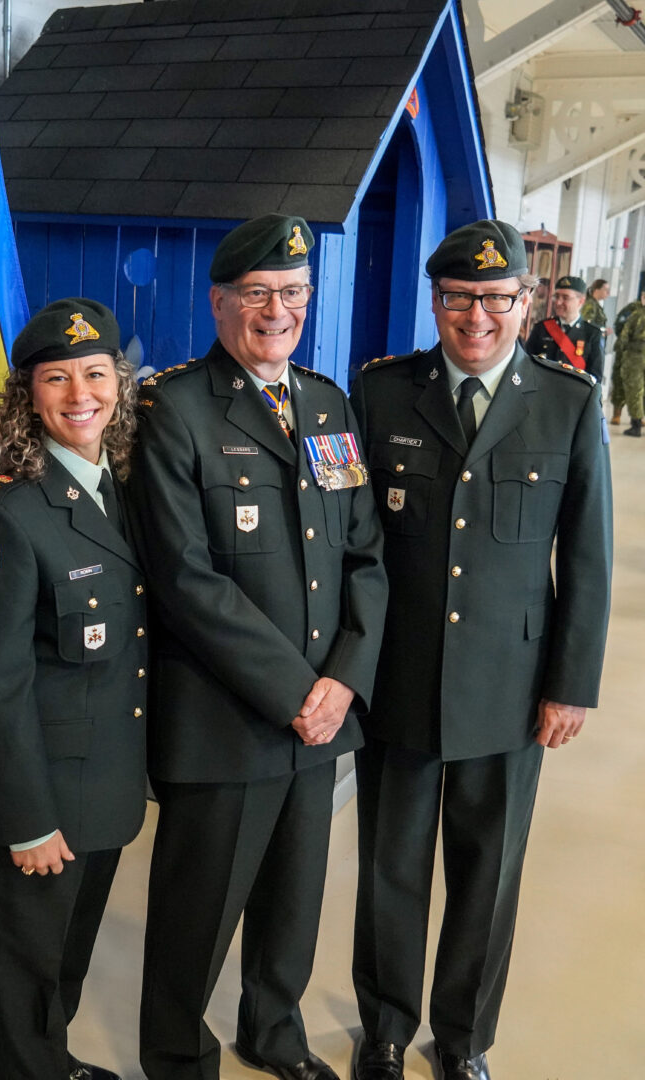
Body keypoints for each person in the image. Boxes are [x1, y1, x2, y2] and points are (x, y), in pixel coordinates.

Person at [126, 214, 388, 1080]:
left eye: (294, 294)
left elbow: (365, 557)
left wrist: (343, 682)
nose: (279, 311)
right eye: (259, 293)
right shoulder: (175, 409)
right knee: (196, 912)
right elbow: (185, 577)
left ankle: (273, 1033)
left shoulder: (327, 404)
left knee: (292, 904)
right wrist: (296, 692)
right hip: (228, 714)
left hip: (321, 716)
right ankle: (175, 1053)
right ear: (219, 301)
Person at [349, 220, 612, 1080]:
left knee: (487, 876)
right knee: (391, 868)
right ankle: (385, 1029)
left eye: (496, 300)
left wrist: (570, 686)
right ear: (436, 301)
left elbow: (587, 555)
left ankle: (462, 1041)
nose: (476, 318)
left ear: (525, 302)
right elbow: (355, 548)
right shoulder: (383, 395)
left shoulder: (567, 403)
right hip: (401, 678)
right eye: (459, 299)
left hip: (510, 684)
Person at [0, 298, 147, 1080]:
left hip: (101, 788)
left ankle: (52, 1065)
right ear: (27, 398)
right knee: (24, 977)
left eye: (97, 374)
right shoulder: (2, 518)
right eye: (57, 379)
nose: (80, 395)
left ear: (119, 387)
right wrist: (27, 822)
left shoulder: (123, 492)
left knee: (62, 970)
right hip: (37, 804)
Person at [525, 274, 603, 382]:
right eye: (556, 296)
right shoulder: (542, 328)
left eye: (565, 298)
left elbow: (595, 377)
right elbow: (526, 363)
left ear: (581, 301)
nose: (558, 302)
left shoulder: (592, 334)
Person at [609, 290, 645, 424]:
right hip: (627, 352)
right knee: (619, 382)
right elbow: (620, 326)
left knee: (641, 387)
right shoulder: (632, 309)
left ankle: (639, 416)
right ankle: (616, 414)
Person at [617, 298, 645, 437]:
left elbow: (624, 336)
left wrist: (623, 351)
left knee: (635, 390)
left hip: (636, 357)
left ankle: (636, 425)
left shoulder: (637, 315)